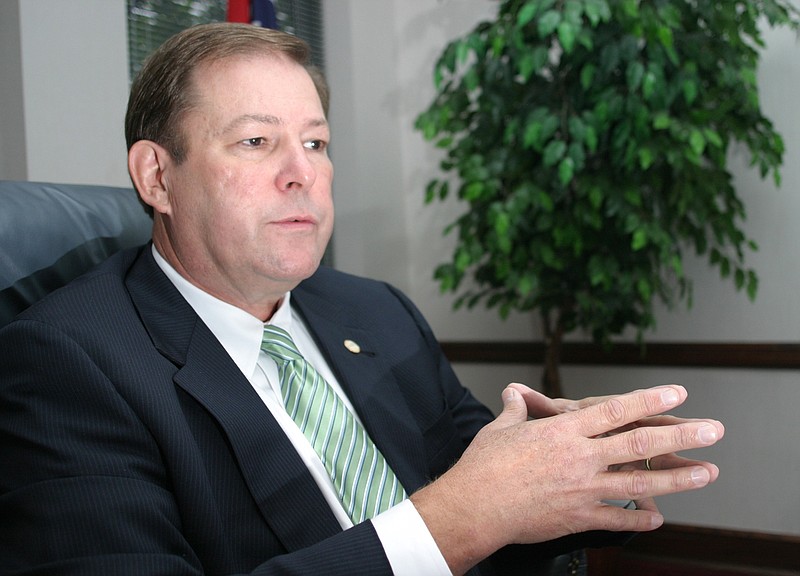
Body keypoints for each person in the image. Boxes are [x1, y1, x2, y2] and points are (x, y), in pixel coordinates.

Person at [0, 23, 723, 576]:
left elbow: (488, 477)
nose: (300, 174)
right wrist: (458, 519)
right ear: (157, 176)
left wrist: (582, 468)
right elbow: (469, 507)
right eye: (256, 141)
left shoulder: (374, 311)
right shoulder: (66, 361)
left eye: (315, 144)